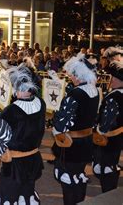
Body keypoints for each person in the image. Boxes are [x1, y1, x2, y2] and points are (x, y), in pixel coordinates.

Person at [0, 63, 46, 204]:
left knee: (9, 198)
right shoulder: (41, 103)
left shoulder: (10, 111)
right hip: (33, 160)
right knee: (26, 197)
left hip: (13, 166)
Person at [52, 56, 99, 205]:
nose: (70, 76)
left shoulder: (75, 94)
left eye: (72, 73)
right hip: (87, 141)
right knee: (79, 175)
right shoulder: (94, 91)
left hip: (72, 144)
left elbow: (62, 123)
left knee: (68, 178)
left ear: (78, 75)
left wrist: (55, 126)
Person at [93, 60, 123, 193]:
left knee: (106, 167)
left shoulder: (114, 96)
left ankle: (109, 193)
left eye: (113, 77)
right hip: (119, 136)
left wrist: (98, 130)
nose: (111, 79)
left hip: (109, 138)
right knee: (111, 164)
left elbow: (107, 122)